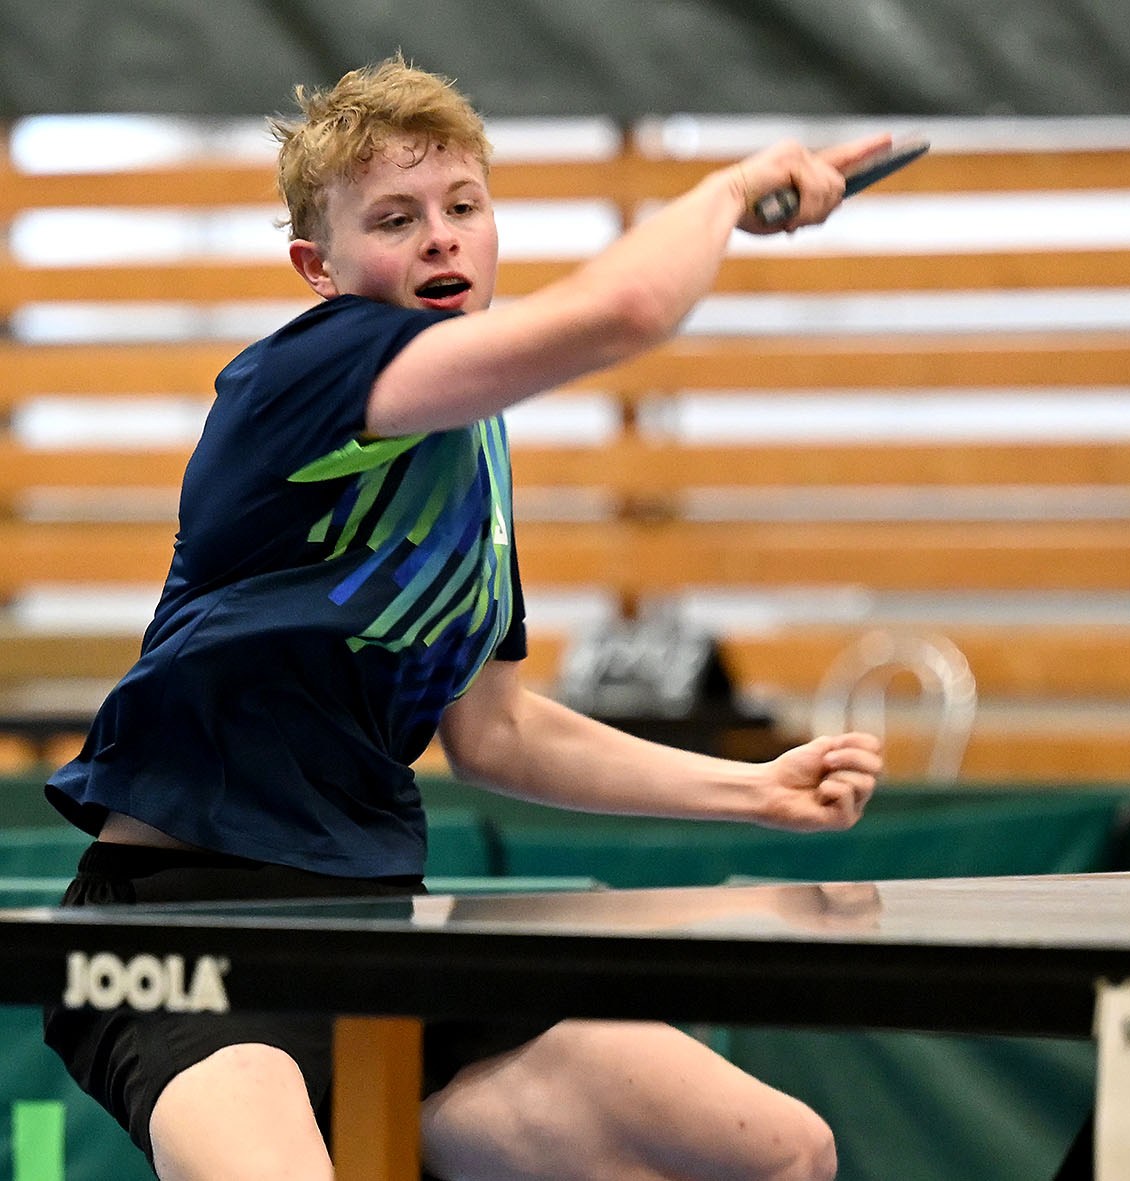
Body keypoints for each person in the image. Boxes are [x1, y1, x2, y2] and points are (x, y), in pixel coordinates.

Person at [41, 54, 886, 1181]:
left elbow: (497, 733)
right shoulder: (305, 376)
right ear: (321, 267)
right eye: (395, 219)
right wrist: (727, 192)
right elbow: (626, 308)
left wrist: (754, 789)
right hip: (181, 931)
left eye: (463, 207)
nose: (440, 239)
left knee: (781, 1152)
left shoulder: (470, 451)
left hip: (380, 922)